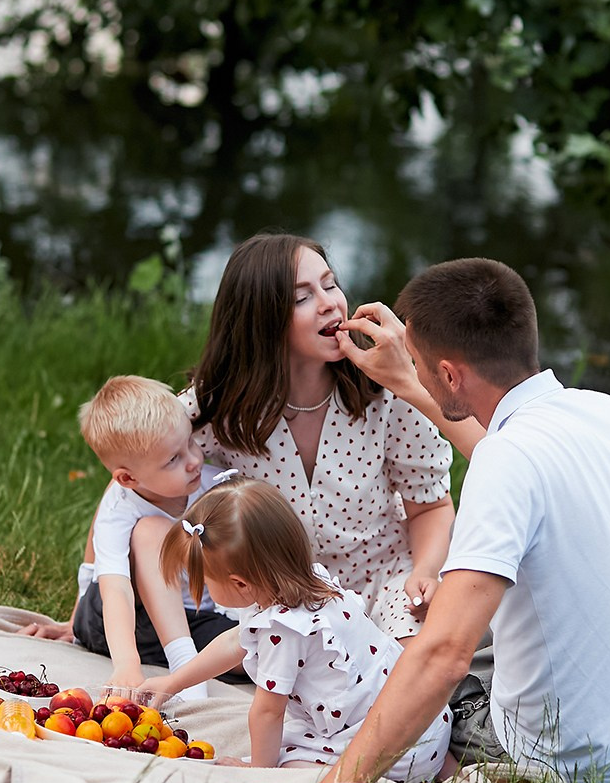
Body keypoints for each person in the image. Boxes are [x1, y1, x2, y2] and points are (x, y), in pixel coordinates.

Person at [320, 257, 610, 783]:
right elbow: (509, 456)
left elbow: (444, 656)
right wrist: (410, 381)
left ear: (450, 374)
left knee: (401, 656)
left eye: (420, 361)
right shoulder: (606, 411)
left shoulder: (506, 460)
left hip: (570, 759)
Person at [179, 232, 458, 640]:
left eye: (330, 284)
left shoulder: (388, 393)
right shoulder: (221, 404)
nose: (330, 302)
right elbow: (135, 472)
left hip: (388, 583)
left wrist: (426, 572)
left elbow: (431, 507)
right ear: (261, 320)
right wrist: (88, 592)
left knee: (412, 665)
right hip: (284, 600)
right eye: (301, 297)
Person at [139, 478, 454, 782]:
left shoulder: (285, 630)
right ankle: (440, 761)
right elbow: (236, 642)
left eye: (206, 583)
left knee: (291, 760)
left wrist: (260, 772)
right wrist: (173, 682)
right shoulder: (308, 581)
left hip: (388, 748)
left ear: (240, 584)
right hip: (426, 716)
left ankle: (418, 768)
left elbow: (267, 713)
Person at [20, 375, 238, 697]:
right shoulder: (120, 509)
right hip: (120, 620)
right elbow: (116, 590)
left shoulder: (214, 486)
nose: (194, 461)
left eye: (190, 443)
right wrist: (126, 665)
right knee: (152, 532)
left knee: (252, 649)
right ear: (128, 478)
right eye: (173, 459)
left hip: (191, 619)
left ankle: (185, 657)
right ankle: (182, 662)